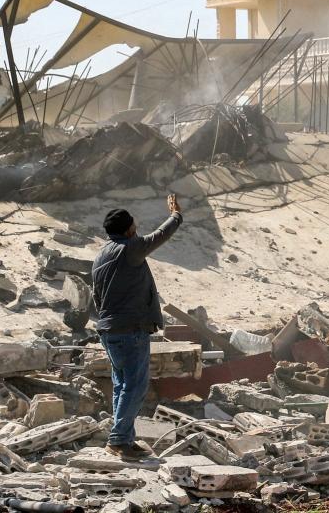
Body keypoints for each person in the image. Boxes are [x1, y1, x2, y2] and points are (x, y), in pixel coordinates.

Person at [92, 194, 182, 460]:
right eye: (134, 224)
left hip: (109, 330)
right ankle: (118, 441)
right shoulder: (129, 248)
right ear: (129, 229)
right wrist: (176, 214)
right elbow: (160, 235)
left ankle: (125, 439)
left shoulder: (101, 256)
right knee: (136, 386)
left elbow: (96, 296)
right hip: (130, 330)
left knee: (122, 385)